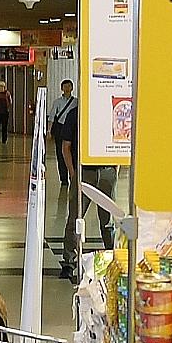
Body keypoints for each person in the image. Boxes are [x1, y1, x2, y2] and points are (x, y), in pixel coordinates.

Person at [60, 107, 116, 282]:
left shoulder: (110, 112)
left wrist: (114, 170)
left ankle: (112, 257)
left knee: (107, 221)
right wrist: (73, 172)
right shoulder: (76, 113)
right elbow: (66, 146)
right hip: (84, 171)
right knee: (75, 219)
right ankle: (69, 262)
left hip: (107, 171)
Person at [50, 79, 77, 187]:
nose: (67, 88)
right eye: (65, 86)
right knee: (61, 154)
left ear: (72, 88)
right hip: (60, 128)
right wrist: (49, 131)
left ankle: (73, 175)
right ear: (62, 88)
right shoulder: (57, 102)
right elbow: (52, 116)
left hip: (72, 128)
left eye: (69, 86)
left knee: (72, 152)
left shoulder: (76, 101)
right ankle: (64, 178)